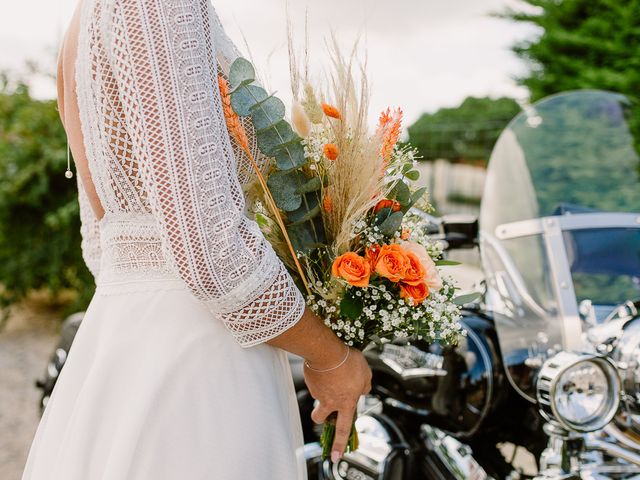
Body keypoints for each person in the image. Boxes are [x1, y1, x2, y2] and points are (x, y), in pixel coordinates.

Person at [21, 0, 371, 478]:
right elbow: (211, 252)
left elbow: (106, 242)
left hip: (125, 336)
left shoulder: (84, 19)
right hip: (201, 359)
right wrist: (333, 360)